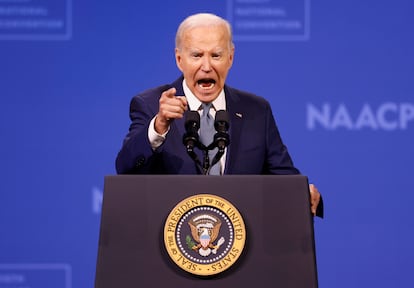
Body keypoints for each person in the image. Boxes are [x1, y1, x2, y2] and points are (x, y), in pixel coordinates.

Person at [115, 13, 323, 217]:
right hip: (169, 240)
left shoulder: (257, 111)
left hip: (241, 242)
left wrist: (301, 192)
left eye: (216, 55)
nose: (207, 67)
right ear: (179, 59)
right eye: (197, 55)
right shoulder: (150, 105)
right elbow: (126, 169)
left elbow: (283, 177)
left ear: (230, 57)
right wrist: (159, 126)